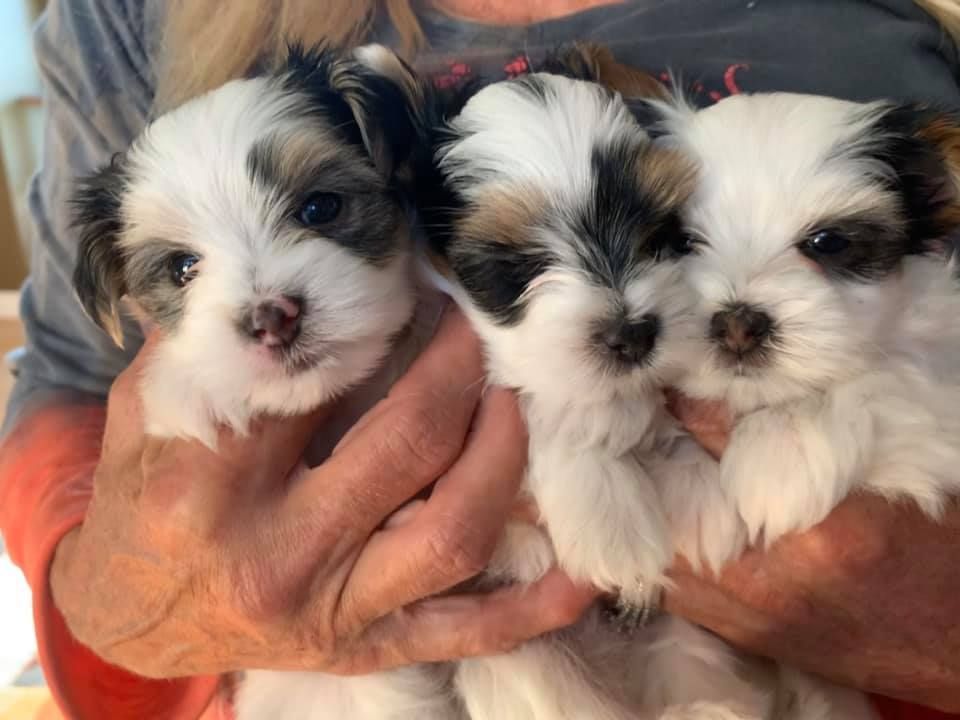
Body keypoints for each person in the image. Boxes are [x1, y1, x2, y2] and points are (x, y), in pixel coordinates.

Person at [0, 1, 958, 719]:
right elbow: (68, 382)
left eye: (322, 208)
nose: (268, 302)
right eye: (181, 267)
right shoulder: (121, 18)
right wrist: (112, 597)